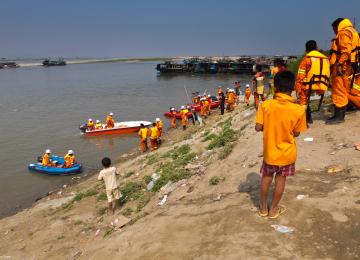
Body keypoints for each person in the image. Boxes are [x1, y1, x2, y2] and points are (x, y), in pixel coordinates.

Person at [255, 70, 307, 219]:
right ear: (293, 88)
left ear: (275, 87)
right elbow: (296, 133)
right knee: (280, 180)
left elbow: (258, 127)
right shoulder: (298, 110)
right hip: (287, 153)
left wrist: (269, 126)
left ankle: (263, 208)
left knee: (266, 177)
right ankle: (274, 209)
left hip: (270, 153)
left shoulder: (266, 105)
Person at [327, 18, 360, 124]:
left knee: (339, 90)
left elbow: (345, 51)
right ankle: (341, 112)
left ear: (337, 26)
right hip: (350, 65)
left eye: (334, 29)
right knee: (346, 89)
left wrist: (339, 63)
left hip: (343, 66)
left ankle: (339, 117)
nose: (334, 32)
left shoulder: (343, 32)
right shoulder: (353, 31)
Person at [295, 40, 330, 124]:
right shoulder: (325, 59)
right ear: (316, 48)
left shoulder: (307, 59)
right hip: (322, 86)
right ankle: (309, 117)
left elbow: (300, 76)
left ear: (306, 50)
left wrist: (298, 89)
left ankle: (305, 120)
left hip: (309, 85)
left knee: (303, 99)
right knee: (307, 97)